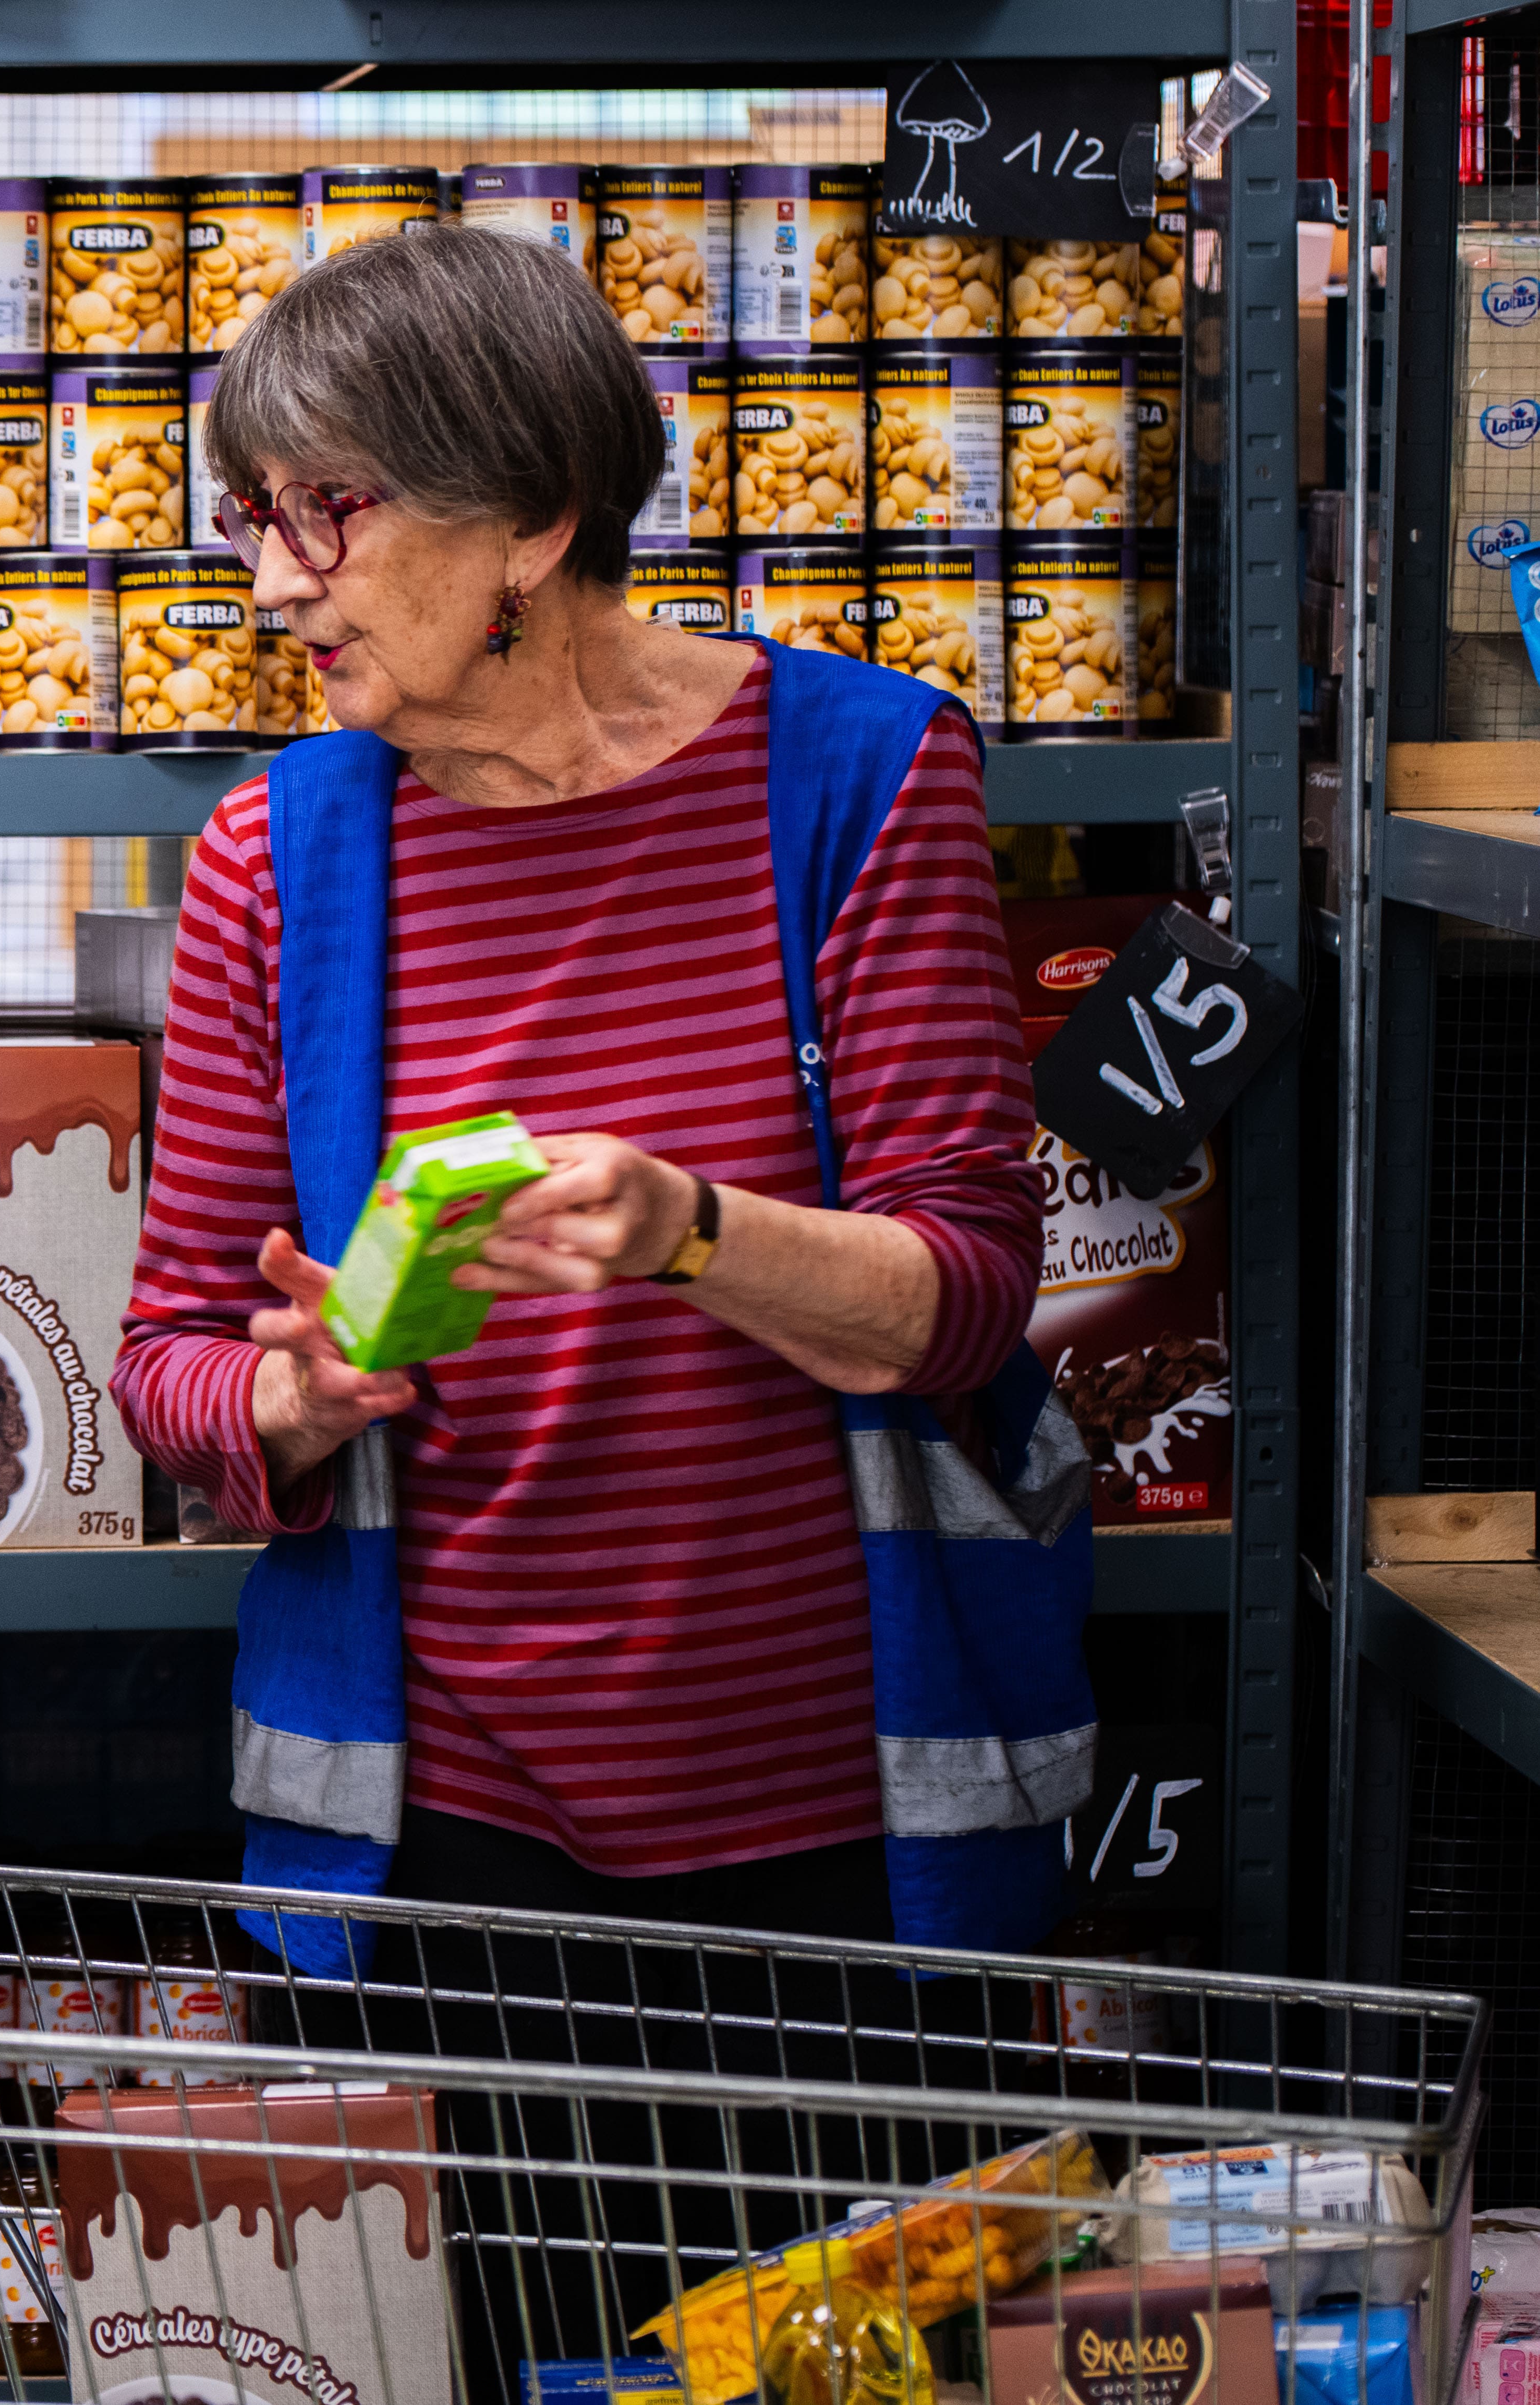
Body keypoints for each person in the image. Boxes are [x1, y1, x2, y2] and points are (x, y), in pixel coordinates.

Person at [110, 224, 1097, 1963]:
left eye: (320, 512)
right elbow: (170, 1359)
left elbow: (963, 1300)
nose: (270, 584)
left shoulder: (859, 777)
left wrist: (687, 1229)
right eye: (249, 517)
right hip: (433, 1856)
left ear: (532, 522)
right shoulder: (274, 859)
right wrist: (293, 1397)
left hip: (845, 1847)